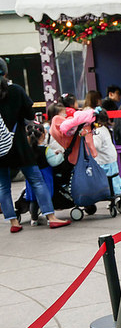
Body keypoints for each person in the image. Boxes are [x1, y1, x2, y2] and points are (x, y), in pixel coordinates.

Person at [0, 64, 70, 231]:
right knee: (37, 180)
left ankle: (13, 223)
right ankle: (51, 217)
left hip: (0, 148)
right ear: (6, 71)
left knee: (3, 186)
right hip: (20, 145)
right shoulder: (16, 90)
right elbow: (30, 116)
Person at [93, 106, 121, 196]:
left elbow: (96, 145)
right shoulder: (105, 128)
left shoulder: (97, 132)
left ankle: (113, 195)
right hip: (111, 158)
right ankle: (117, 194)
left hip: (104, 160)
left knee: (108, 179)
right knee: (114, 178)